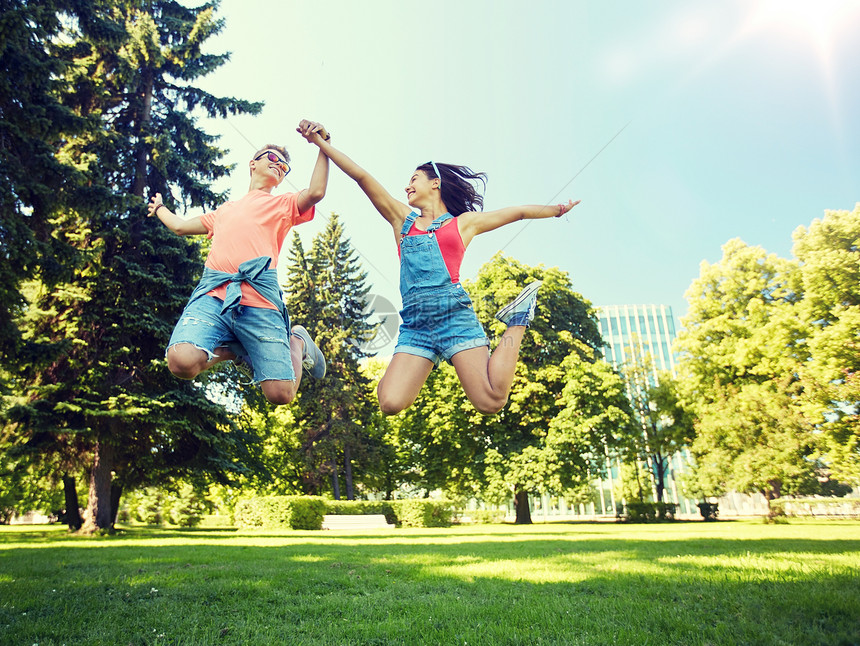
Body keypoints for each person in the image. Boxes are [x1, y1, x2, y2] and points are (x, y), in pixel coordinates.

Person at [299, 123, 579, 415]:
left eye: (414, 179)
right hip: (416, 325)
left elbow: (518, 213)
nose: (407, 186)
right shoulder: (401, 220)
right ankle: (418, 361)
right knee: (390, 403)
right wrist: (323, 145)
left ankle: (518, 318)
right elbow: (361, 176)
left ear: (436, 183)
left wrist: (558, 210)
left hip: (453, 317)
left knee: (491, 401)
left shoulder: (464, 223)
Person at [147, 120, 331, 405]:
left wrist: (323, 146)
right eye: (273, 158)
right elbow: (181, 226)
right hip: (214, 295)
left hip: (259, 301)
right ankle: (236, 348)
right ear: (252, 163)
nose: (279, 165)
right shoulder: (224, 211)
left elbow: (316, 192)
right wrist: (159, 208)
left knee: (281, 394)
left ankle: (297, 342)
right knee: (181, 362)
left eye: (284, 166)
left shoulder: (282, 204)